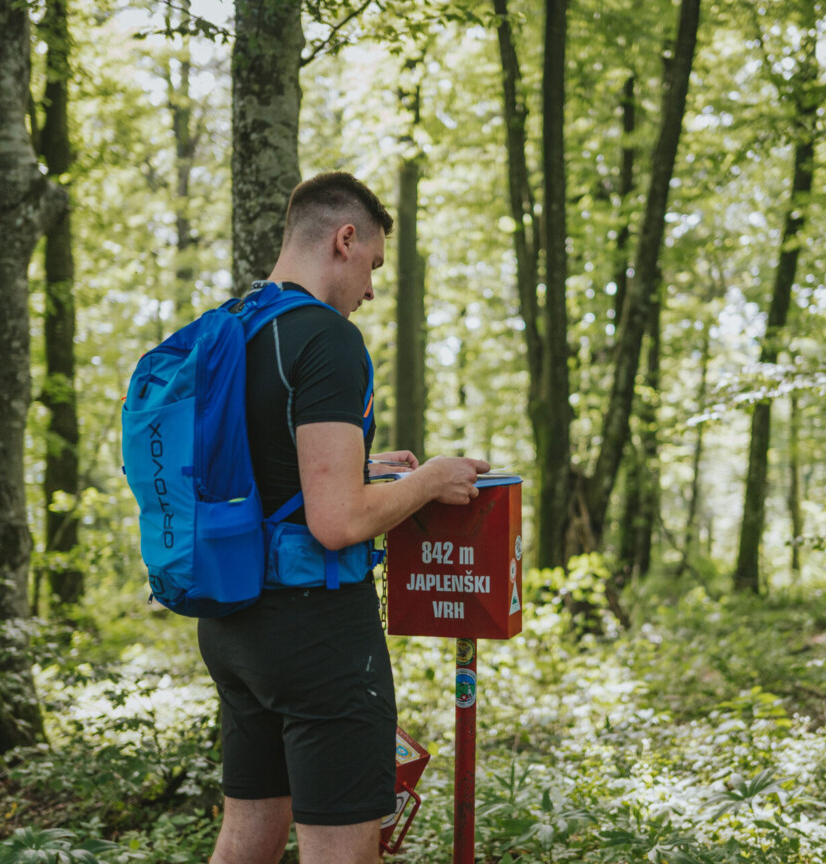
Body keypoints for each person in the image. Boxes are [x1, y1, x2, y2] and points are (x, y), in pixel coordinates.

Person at [198, 172, 489, 864]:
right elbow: (336, 523)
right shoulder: (326, 339)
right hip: (317, 633)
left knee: (247, 836)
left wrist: (362, 468)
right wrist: (429, 479)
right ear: (345, 239)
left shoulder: (231, 328)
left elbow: (269, 469)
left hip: (232, 622)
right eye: (374, 266)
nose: (371, 289)